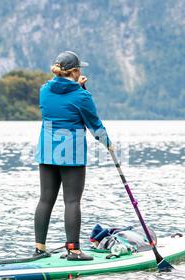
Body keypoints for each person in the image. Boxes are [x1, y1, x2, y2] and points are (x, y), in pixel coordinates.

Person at [34, 51, 113, 261]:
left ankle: (39, 248)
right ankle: (74, 251)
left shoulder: (44, 91)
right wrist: (109, 145)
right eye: (80, 69)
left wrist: (79, 86)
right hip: (71, 155)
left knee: (45, 200)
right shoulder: (81, 96)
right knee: (71, 202)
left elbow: (63, 101)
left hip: (47, 153)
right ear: (76, 71)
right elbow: (94, 124)